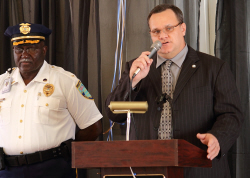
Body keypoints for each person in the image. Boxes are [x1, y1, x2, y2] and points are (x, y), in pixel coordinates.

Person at [105, 4, 244, 178]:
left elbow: (231, 115)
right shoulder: (136, 68)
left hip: (200, 168)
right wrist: (132, 81)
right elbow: (113, 113)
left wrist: (217, 137)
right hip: (149, 169)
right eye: (156, 31)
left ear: (183, 28)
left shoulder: (214, 68)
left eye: (169, 28)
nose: (162, 36)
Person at [0, 22, 103, 177]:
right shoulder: (2, 83)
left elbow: (93, 126)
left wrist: (66, 153)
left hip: (52, 169)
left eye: (31, 48)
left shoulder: (66, 81)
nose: (24, 54)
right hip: (8, 170)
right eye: (19, 49)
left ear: (44, 50)